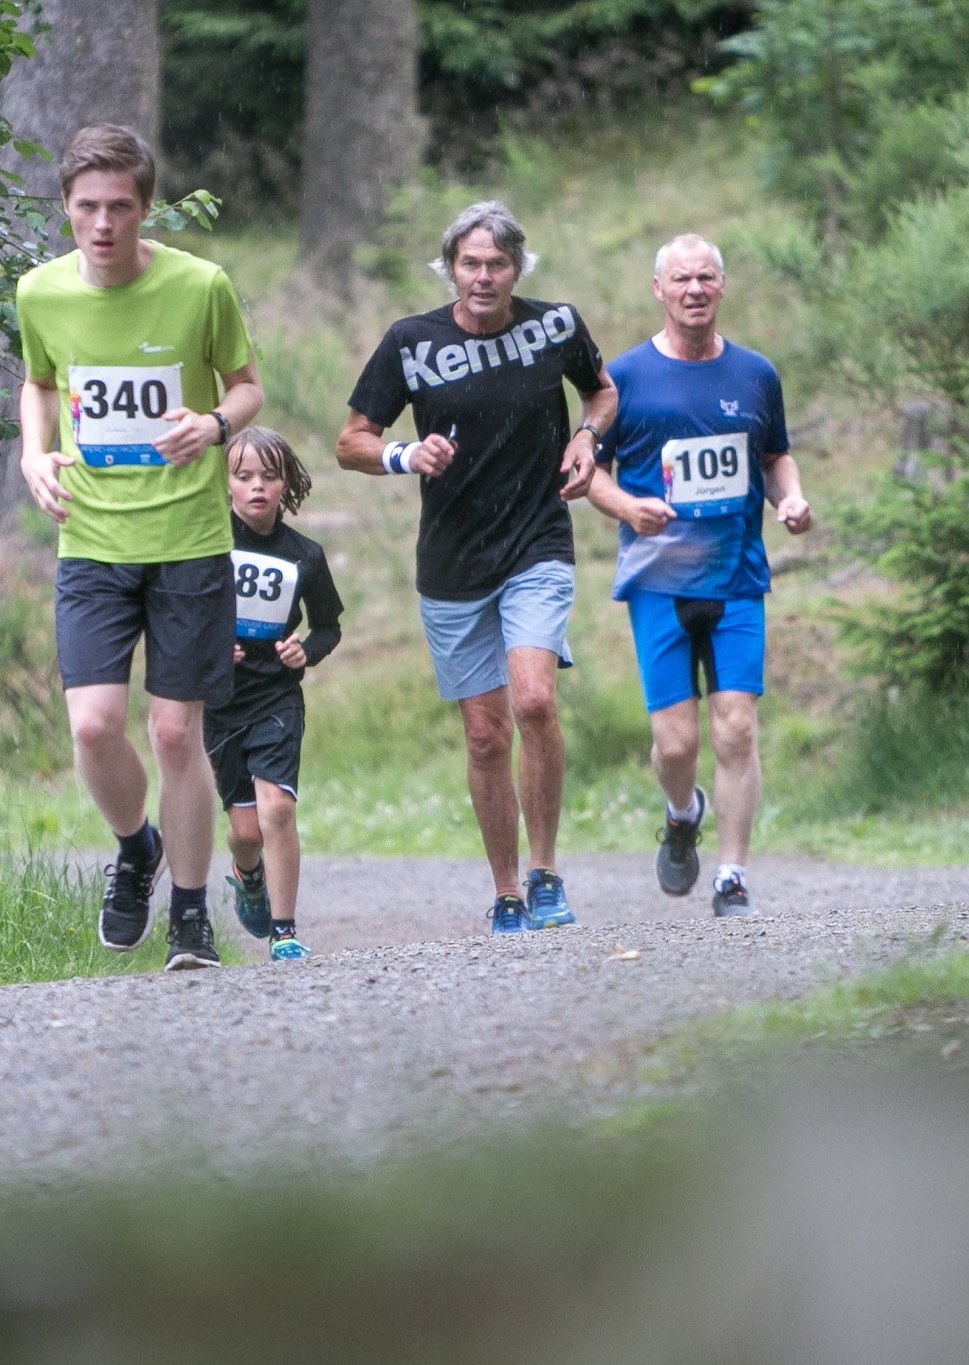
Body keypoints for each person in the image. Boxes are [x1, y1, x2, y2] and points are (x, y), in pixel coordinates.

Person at [15, 123, 263, 971]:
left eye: (120, 206)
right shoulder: (40, 293)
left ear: (146, 207)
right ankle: (136, 847)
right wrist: (33, 452)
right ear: (65, 207)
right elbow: (39, 382)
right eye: (88, 205)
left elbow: (247, 386)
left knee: (174, 734)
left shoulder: (200, 287)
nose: (103, 222)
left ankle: (190, 914)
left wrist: (215, 424)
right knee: (92, 726)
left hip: (188, 537)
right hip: (91, 537)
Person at [336, 200, 616, 935]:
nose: (484, 276)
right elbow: (351, 441)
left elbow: (602, 390)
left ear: (518, 269)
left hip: (537, 541)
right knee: (486, 736)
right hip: (453, 559)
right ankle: (506, 891)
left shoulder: (556, 325)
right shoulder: (411, 342)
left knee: (534, 701)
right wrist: (406, 454)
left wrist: (587, 437)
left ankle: (545, 873)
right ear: (450, 270)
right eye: (470, 264)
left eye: (497, 264)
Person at [586, 233, 811, 915]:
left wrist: (791, 499)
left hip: (737, 577)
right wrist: (628, 507)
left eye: (706, 277)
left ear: (722, 285)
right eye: (681, 279)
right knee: (676, 743)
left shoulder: (755, 373)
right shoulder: (622, 378)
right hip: (658, 581)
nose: (695, 290)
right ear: (658, 289)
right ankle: (683, 812)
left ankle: (731, 876)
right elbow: (587, 471)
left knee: (736, 728)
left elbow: (775, 455)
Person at [206, 426, 343, 961]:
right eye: (244, 476)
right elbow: (181, 610)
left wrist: (305, 651)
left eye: (268, 475)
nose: (257, 486)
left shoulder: (305, 554)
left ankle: (284, 931)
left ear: (288, 482)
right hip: (221, 702)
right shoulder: (208, 544)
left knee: (278, 809)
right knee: (245, 833)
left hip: (277, 699)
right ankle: (249, 875)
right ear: (227, 484)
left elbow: (328, 626)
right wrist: (212, 648)